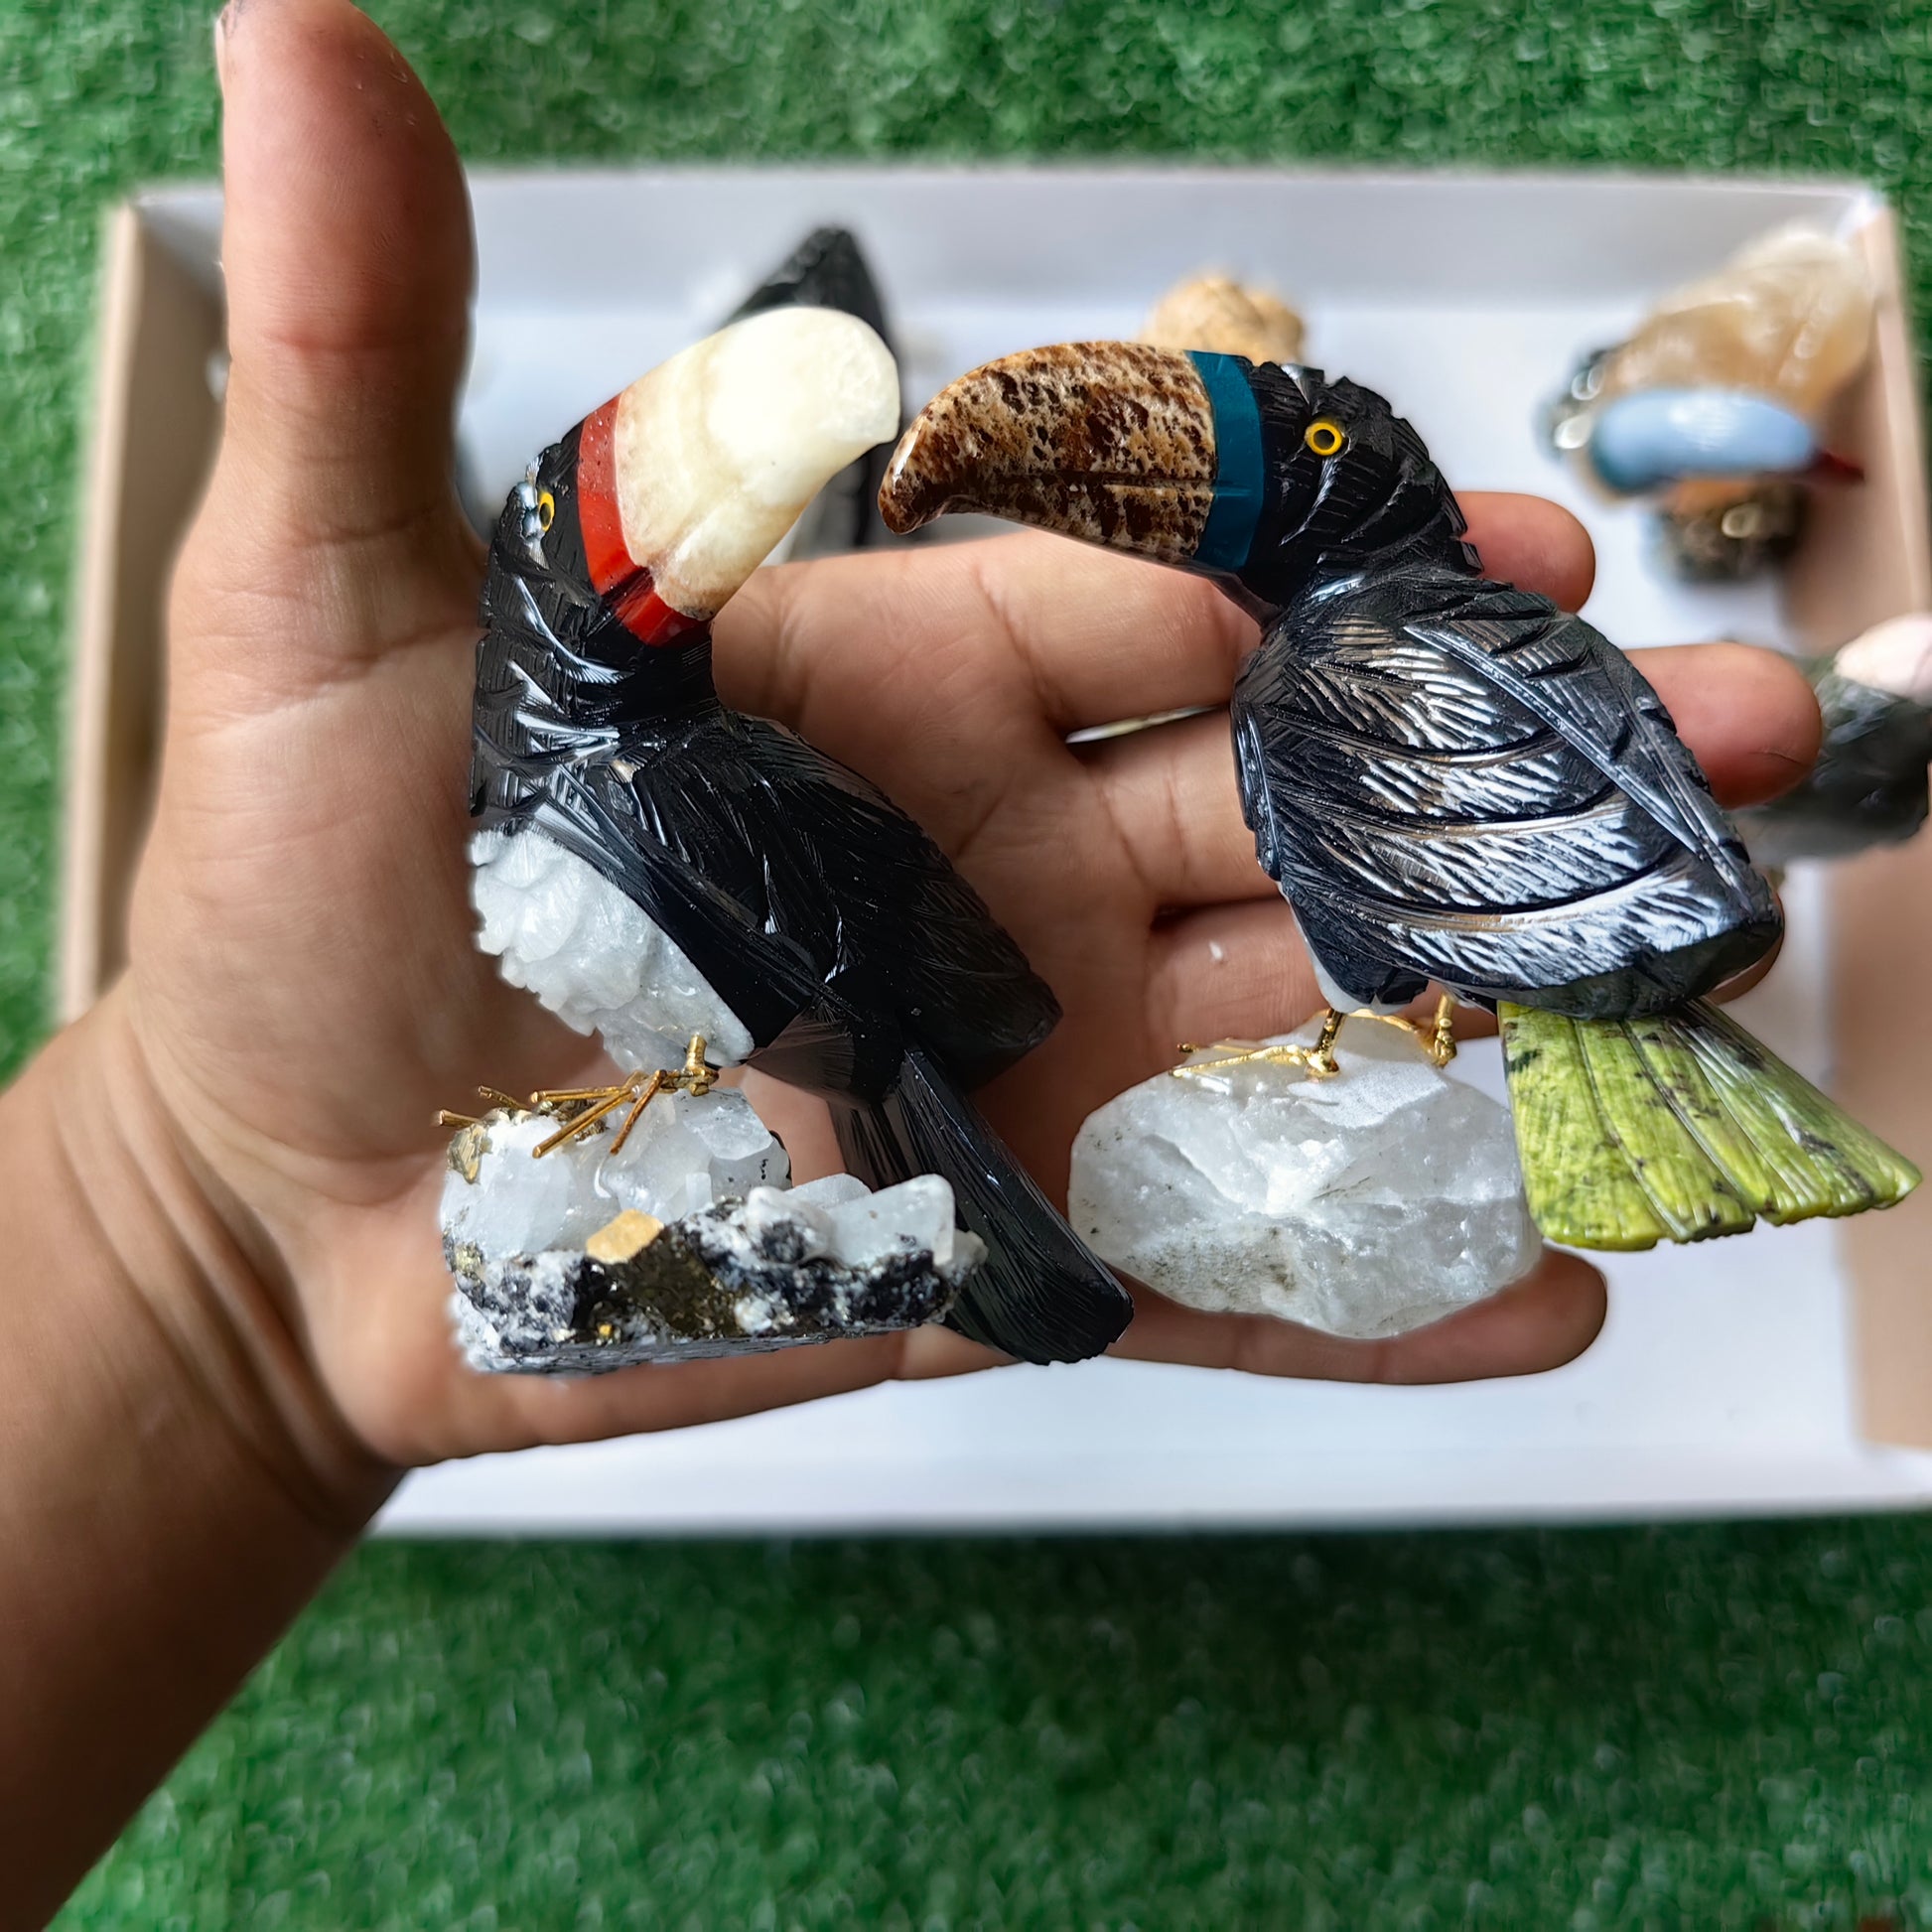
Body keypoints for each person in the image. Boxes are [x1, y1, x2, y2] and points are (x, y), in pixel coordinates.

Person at [0, 2, 1824, 1919]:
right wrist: (218, 1202)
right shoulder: (580, 764)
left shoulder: (644, 775)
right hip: (811, 1063)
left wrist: (208, 1228)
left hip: (867, 1033)